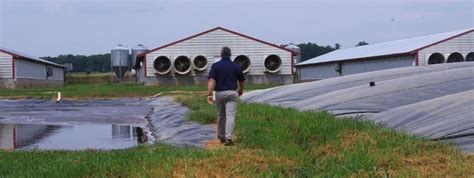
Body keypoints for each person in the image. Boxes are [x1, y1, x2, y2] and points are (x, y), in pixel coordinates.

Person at [207, 46, 245, 146]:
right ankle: (228, 138)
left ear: (221, 54)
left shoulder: (215, 66)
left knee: (221, 115)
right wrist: (240, 90)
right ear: (230, 55)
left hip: (219, 93)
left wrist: (209, 93)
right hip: (232, 93)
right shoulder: (236, 66)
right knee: (230, 115)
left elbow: (211, 80)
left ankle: (221, 136)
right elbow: (242, 80)